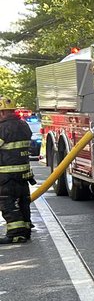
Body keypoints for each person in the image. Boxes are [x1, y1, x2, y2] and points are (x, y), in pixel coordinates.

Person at [0, 96, 34, 244]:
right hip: (23, 174)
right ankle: (25, 230)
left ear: (2, 112)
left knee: (8, 204)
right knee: (23, 203)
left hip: (7, 176)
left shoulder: (2, 128)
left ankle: (15, 234)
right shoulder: (24, 125)